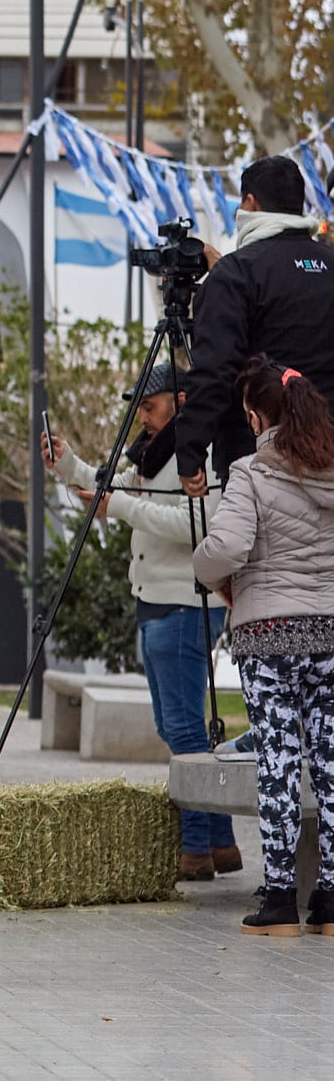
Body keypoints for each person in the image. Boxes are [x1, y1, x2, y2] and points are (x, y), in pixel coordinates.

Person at [43, 360, 237, 878]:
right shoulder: (160, 452)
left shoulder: (204, 450)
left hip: (183, 601)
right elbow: (116, 486)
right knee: (181, 726)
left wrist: (120, 507)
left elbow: (200, 523)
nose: (144, 419)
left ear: (180, 399)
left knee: (182, 729)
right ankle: (218, 842)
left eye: (150, 407)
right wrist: (69, 465)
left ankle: (196, 849)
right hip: (161, 598)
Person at [191, 358, 334, 938]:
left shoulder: (250, 472)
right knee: (330, 761)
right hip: (331, 632)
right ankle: (330, 901)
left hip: (268, 634)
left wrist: (203, 567)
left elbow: (226, 548)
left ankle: (279, 899)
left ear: (254, 414)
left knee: (276, 760)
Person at [176, 155, 334, 497]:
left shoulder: (236, 274)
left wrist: (190, 451)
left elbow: (215, 371)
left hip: (260, 463)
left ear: (249, 202)